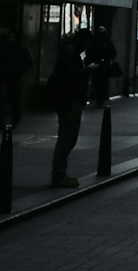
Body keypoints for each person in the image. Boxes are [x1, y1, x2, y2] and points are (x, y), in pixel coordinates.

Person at [49, 34, 88, 189]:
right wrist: (86, 71)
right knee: (67, 138)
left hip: (67, 101)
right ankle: (59, 175)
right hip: (70, 102)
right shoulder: (70, 54)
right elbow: (72, 78)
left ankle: (60, 173)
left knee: (66, 137)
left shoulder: (68, 52)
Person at [0, 29, 32, 129]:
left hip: (11, 78)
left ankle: (7, 120)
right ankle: (10, 120)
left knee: (10, 100)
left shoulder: (6, 49)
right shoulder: (19, 49)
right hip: (11, 78)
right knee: (12, 100)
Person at [85, 26, 118, 106]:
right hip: (100, 66)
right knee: (100, 82)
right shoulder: (104, 42)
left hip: (100, 66)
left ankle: (100, 97)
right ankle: (100, 97)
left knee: (99, 82)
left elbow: (89, 53)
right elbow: (113, 53)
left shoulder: (99, 42)